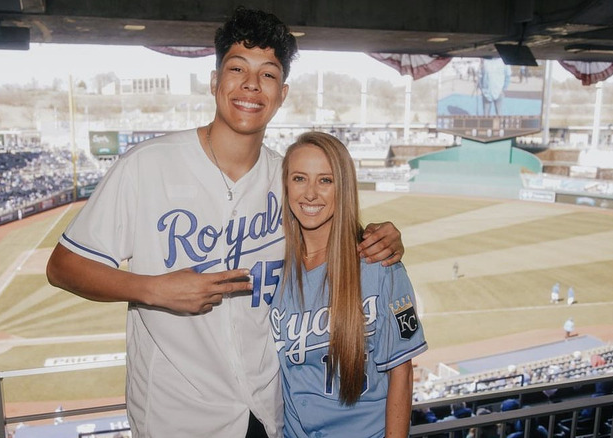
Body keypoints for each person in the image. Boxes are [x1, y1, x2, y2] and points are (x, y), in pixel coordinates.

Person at [45, 7, 405, 438]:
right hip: (178, 418)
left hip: (268, 415)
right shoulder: (148, 166)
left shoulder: (286, 179)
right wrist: (153, 289)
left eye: (267, 74)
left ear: (282, 93)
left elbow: (334, 239)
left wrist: (380, 236)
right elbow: (62, 266)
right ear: (215, 82)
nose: (251, 85)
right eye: (237, 69)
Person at [269, 132, 427, 438]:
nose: (310, 194)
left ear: (343, 187)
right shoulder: (276, 265)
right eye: (300, 178)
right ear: (286, 186)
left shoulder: (378, 263)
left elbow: (401, 373)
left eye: (325, 180)